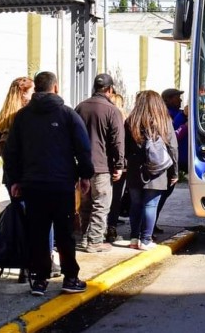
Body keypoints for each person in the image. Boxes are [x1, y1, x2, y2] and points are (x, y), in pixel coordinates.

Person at [3, 71, 94, 296]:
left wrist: (15, 180)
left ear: (36, 89)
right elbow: (83, 149)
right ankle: (70, 277)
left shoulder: (23, 117)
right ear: (55, 87)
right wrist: (85, 176)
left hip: (32, 185)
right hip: (61, 185)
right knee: (65, 233)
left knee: (38, 232)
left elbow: (12, 152)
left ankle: (40, 279)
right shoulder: (68, 115)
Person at [0, 77, 45, 283]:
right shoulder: (28, 116)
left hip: (10, 177)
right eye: (32, 91)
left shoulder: (3, 118)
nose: (34, 94)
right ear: (23, 94)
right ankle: (35, 264)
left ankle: (23, 267)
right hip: (30, 177)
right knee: (36, 222)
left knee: (20, 222)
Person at [74, 73, 125, 252]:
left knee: (86, 205)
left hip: (82, 166)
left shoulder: (80, 107)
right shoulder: (112, 110)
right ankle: (95, 240)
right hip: (102, 166)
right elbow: (117, 141)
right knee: (101, 205)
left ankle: (85, 238)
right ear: (110, 90)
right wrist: (119, 165)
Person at [124, 90, 178, 251]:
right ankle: (146, 239)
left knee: (135, 204)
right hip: (157, 170)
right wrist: (174, 172)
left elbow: (124, 147)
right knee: (151, 205)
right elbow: (173, 147)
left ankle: (134, 238)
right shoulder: (164, 121)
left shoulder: (130, 121)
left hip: (135, 169)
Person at [155, 88, 186, 234]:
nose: (180, 100)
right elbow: (172, 134)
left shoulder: (176, 113)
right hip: (167, 160)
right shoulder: (166, 114)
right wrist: (183, 118)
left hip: (178, 159)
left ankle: (152, 222)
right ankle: (150, 224)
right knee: (162, 192)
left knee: (166, 192)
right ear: (168, 99)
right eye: (177, 97)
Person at [106, 92, 128, 243]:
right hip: (121, 164)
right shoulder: (123, 119)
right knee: (115, 198)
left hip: (104, 162)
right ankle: (111, 227)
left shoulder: (106, 115)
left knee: (102, 198)